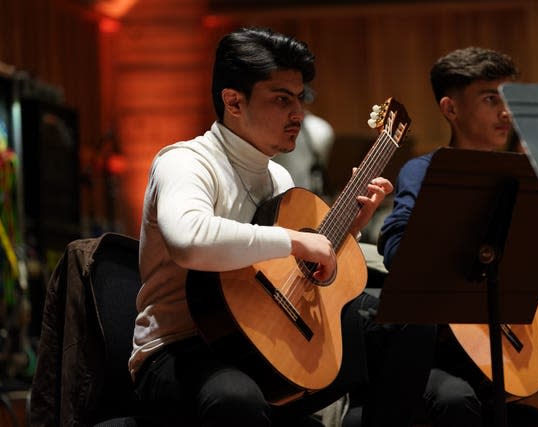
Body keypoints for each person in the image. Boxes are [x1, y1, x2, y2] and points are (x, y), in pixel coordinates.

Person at [129, 27, 435, 427]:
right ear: (233, 102)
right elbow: (190, 240)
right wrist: (297, 241)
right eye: (281, 99)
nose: (298, 114)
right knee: (235, 398)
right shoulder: (186, 162)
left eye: (299, 98)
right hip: (180, 349)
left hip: (262, 338)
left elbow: (288, 276)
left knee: (407, 321)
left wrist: (347, 231)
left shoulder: (278, 178)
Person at [377, 46, 538, 427]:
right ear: (450, 109)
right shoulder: (424, 171)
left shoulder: (531, 172)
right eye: (489, 99)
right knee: (455, 399)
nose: (506, 112)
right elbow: (398, 252)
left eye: (508, 99)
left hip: (521, 331)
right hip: (457, 347)